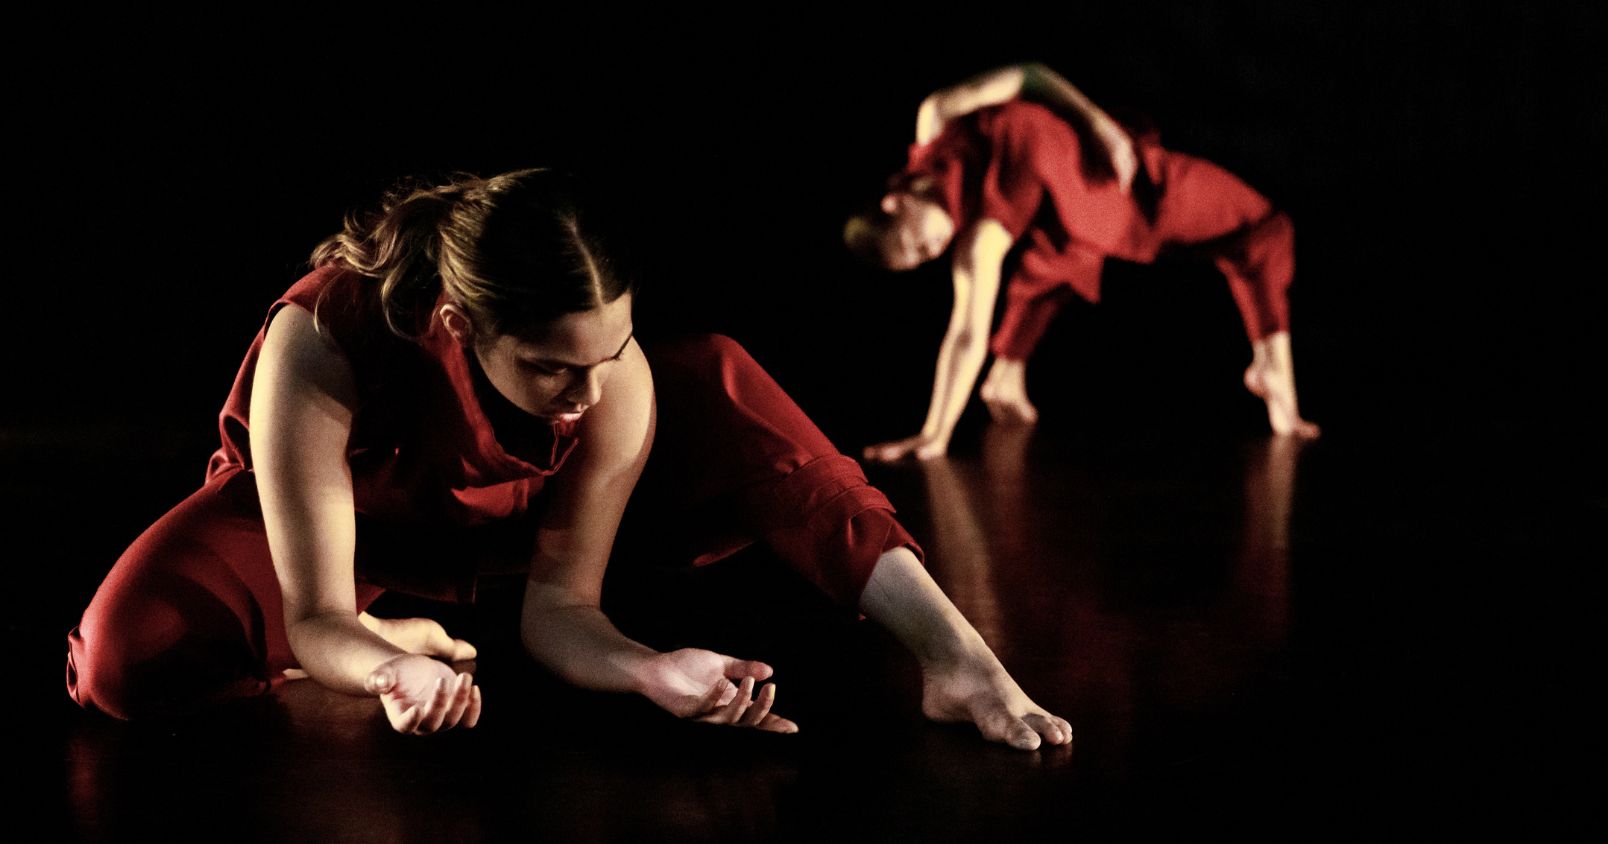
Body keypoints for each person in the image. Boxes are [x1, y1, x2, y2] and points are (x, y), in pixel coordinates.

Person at [65, 169, 1071, 749]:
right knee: (121, 661)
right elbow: (321, 613)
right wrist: (382, 668)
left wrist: (650, 671)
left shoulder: (611, 379)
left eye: (606, 353)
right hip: (345, 526)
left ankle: (958, 662)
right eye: (552, 369)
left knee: (719, 374)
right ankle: (402, 623)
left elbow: (560, 609)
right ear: (461, 326)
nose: (588, 393)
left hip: (509, 526)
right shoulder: (325, 335)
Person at [846, 63, 1320, 463]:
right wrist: (935, 435)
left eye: (917, 246)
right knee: (1262, 230)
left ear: (895, 202)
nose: (933, 252)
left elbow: (1029, 76)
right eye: (922, 260)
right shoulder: (981, 240)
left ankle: (1007, 373)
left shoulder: (937, 118)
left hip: (1112, 175)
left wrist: (1097, 124)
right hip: (1104, 200)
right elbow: (966, 332)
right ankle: (1272, 370)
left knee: (1054, 267)